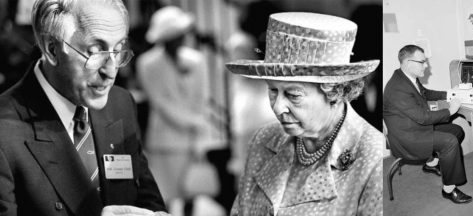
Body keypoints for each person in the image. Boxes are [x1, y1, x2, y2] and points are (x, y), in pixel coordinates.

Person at [0, 0, 168, 215]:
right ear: (52, 49)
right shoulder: (5, 132)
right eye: (96, 52)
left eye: (118, 50)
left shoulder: (120, 104)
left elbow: (146, 200)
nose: (111, 71)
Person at [226, 12, 383, 216]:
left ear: (334, 91)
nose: (277, 107)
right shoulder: (263, 140)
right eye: (273, 90)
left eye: (293, 94)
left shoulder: (374, 159)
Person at [137, 5, 221, 215]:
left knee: (191, 193)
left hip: (191, 140)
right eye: (175, 35)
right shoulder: (147, 63)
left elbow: (202, 99)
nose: (181, 38)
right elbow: (161, 103)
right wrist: (195, 122)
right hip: (164, 142)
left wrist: (199, 129)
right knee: (164, 194)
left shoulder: (196, 60)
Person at [383, 44, 473, 204]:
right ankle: (449, 189)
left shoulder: (406, 78)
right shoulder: (397, 88)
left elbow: (426, 93)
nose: (426, 65)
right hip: (407, 137)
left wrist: (452, 94)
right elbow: (423, 117)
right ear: (408, 62)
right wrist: (450, 111)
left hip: (413, 126)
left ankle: (432, 162)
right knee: (450, 142)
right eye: (422, 62)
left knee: (457, 130)